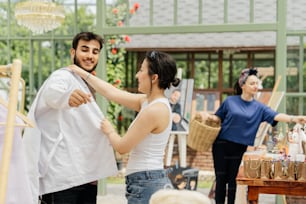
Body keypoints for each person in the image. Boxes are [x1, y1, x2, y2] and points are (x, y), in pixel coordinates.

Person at [69, 50, 180, 204]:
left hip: (146, 182)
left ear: (154, 78)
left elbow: (122, 147)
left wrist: (109, 131)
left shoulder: (155, 110)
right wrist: (83, 73)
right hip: (145, 180)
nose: (137, 75)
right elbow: (112, 92)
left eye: (141, 70)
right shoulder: (148, 102)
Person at [22, 32, 118, 204]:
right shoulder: (62, 76)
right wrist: (67, 96)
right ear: (73, 53)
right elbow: (53, 93)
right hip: (61, 179)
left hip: (85, 176)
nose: (90, 55)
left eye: (95, 52)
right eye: (85, 50)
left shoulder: (85, 82)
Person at [198, 67, 306, 204]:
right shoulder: (230, 101)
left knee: (232, 180)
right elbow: (218, 118)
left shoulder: (259, 108)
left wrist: (294, 118)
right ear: (243, 85)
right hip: (221, 145)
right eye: (252, 83)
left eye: (257, 83)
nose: (256, 86)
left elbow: (276, 115)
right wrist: (206, 116)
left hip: (239, 147)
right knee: (221, 179)